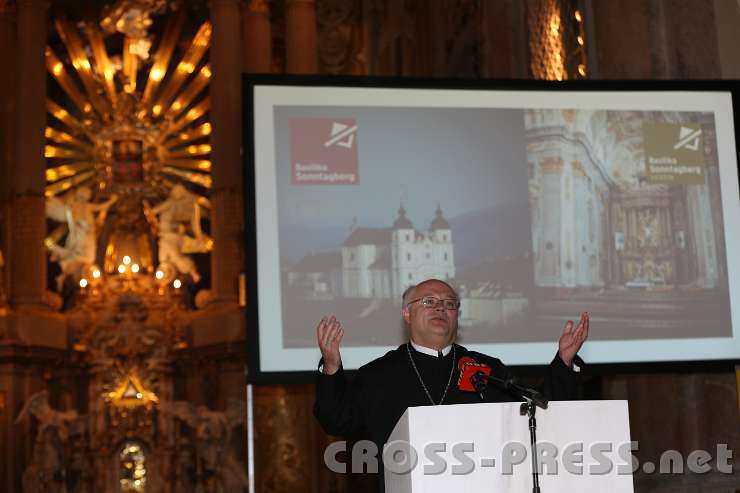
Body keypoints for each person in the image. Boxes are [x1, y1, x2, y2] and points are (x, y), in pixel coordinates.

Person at [314, 278, 589, 490]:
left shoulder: (487, 369)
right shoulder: (378, 374)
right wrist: (332, 366)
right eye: (429, 302)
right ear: (407, 314)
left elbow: (536, 415)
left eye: (449, 304)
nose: (440, 308)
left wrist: (563, 362)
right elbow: (336, 420)